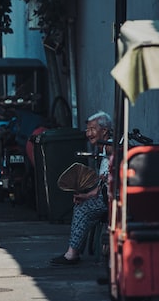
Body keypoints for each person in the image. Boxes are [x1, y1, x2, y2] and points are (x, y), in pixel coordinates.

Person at [50, 110, 112, 265]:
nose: (88, 133)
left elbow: (109, 182)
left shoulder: (111, 148)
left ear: (104, 131)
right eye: (88, 129)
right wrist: (88, 195)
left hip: (113, 198)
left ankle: (72, 254)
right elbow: (102, 186)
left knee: (82, 209)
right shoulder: (102, 149)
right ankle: (77, 249)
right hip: (105, 195)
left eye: (92, 129)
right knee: (81, 202)